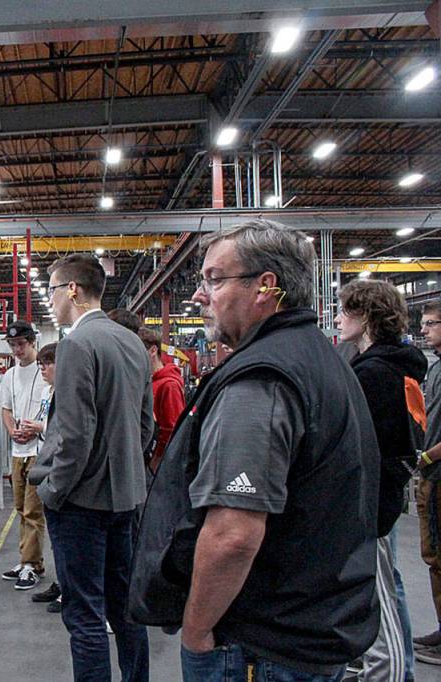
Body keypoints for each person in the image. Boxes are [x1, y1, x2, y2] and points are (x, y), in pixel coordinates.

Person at [129, 219, 380, 682]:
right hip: (306, 627)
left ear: (266, 286)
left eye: (214, 279)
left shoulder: (261, 379)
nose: (199, 295)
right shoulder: (318, 358)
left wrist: (196, 631)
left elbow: (233, 534)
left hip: (259, 643)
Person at [29, 253, 153, 682]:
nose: (51, 300)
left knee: (84, 615)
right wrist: (123, 471)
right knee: (125, 609)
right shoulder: (132, 342)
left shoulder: (77, 344)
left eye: (52, 291)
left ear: (72, 290)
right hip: (125, 498)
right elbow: (145, 425)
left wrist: (55, 490)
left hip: (81, 503)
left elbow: (75, 435)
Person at [335, 280, 426, 682]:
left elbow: (370, 446)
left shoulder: (375, 374)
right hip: (380, 499)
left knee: (379, 600)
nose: (338, 319)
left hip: (370, 503)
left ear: (367, 316)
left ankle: (388, 672)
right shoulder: (394, 366)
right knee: (385, 588)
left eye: (345, 311)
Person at [0, 320, 49, 590]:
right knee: (20, 508)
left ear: (32, 342)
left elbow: (54, 409)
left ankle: (32, 564)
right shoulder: (10, 375)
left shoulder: (46, 373)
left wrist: (38, 428)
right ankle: (27, 559)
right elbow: (5, 408)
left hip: (38, 451)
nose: (17, 350)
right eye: (13, 345)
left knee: (33, 510)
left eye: (21, 344)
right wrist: (11, 431)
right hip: (18, 451)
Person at [24, 343, 62, 608]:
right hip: (47, 465)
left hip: (61, 471)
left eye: (47, 364)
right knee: (57, 538)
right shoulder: (48, 392)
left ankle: (68, 590)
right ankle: (61, 583)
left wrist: (40, 427)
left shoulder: (68, 393)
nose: (43, 369)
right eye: (41, 365)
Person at [415, 301, 441, 665]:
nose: (423, 330)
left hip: (437, 473)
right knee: (434, 558)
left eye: (431, 323)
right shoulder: (434, 367)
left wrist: (426, 458)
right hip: (431, 475)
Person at [136, 326, 186, 473]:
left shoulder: (169, 386)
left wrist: (156, 460)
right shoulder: (147, 381)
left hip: (158, 466)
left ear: (153, 350)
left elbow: (172, 429)